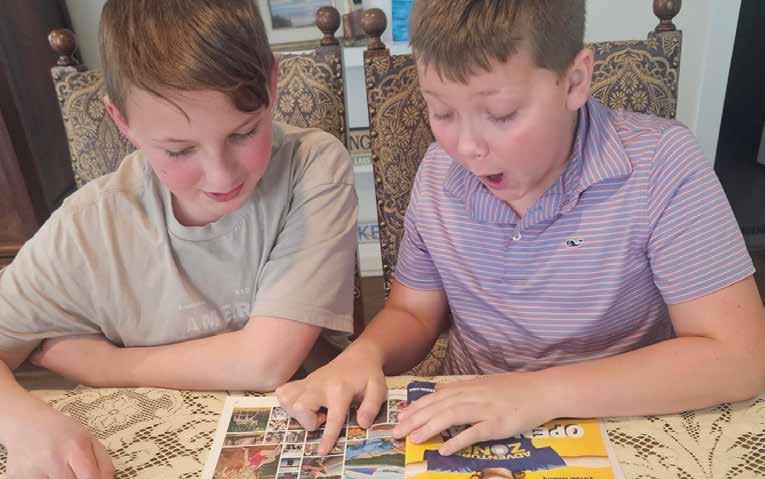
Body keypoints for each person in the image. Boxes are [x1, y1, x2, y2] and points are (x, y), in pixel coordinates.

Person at [276, 0, 765, 460]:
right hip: (468, 422)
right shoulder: (439, 173)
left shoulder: (660, 164)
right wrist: (368, 352)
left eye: (501, 115)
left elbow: (742, 356)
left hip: (616, 419)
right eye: (442, 112)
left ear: (574, 81)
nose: (467, 147)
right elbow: (414, 312)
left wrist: (541, 392)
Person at [0, 0, 357, 476]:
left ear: (273, 86)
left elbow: (266, 362)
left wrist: (105, 366)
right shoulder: (89, 225)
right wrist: (21, 422)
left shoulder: (311, 166)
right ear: (122, 122)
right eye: (179, 150)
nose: (221, 175)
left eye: (244, 133)